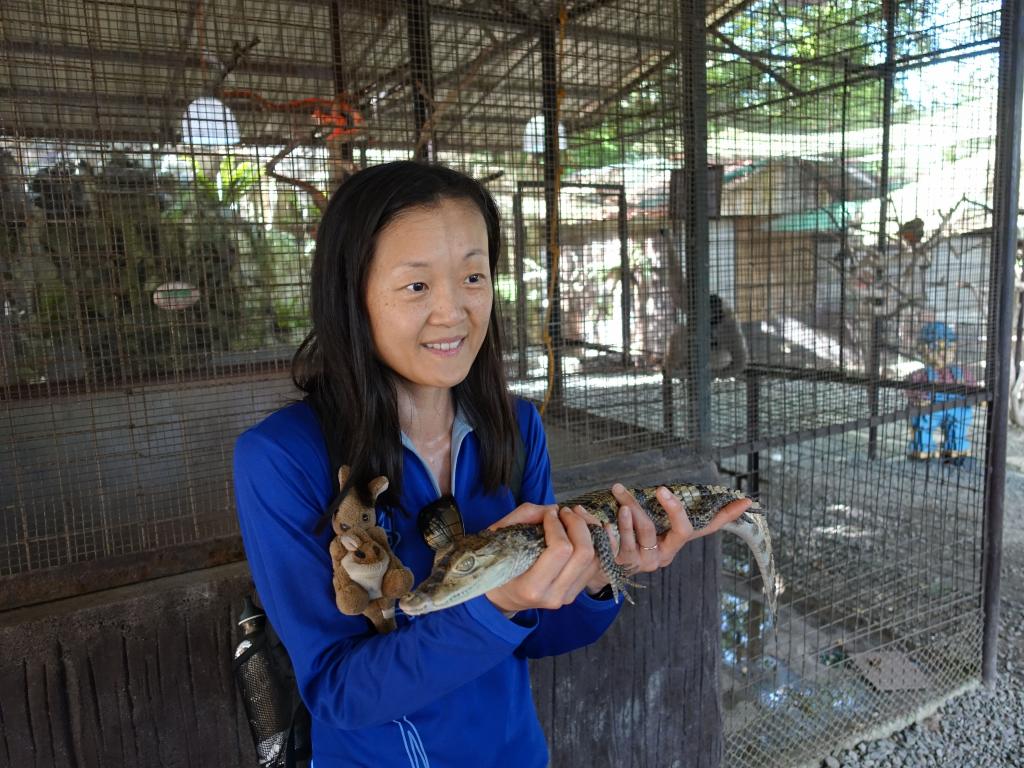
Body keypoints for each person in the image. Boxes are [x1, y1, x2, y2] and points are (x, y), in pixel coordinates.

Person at [233, 160, 749, 767]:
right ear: (353, 295)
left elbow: (539, 634)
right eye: (417, 286)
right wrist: (495, 604)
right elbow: (338, 690)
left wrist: (592, 578)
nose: (455, 311)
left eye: (474, 277)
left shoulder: (515, 427)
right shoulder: (282, 457)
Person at [906, 320, 975, 463]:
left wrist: (975, 396)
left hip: (956, 405)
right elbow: (911, 387)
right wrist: (919, 399)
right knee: (921, 421)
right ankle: (922, 450)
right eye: (936, 349)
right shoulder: (921, 374)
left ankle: (956, 448)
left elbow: (972, 385)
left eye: (948, 349)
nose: (943, 354)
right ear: (924, 350)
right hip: (931, 407)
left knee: (962, 418)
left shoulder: (960, 372)